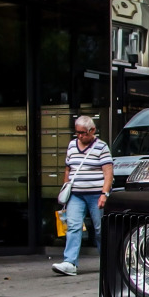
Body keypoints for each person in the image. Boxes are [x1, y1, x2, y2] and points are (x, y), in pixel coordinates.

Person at [52, 116, 113, 276]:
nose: (79, 136)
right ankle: (70, 262)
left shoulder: (101, 147)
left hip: (96, 194)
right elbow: (68, 169)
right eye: (77, 132)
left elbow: (108, 172)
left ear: (92, 131)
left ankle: (108, 261)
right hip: (76, 194)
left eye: (82, 133)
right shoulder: (72, 145)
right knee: (73, 227)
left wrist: (104, 194)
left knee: (100, 229)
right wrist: (66, 189)